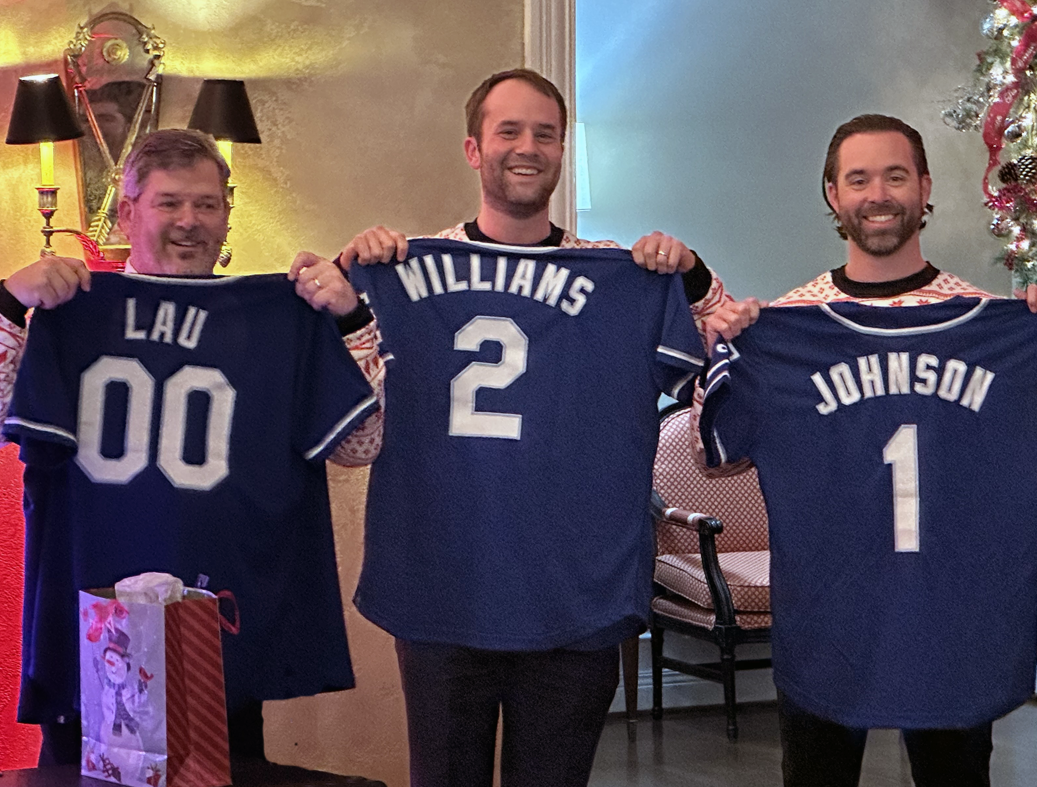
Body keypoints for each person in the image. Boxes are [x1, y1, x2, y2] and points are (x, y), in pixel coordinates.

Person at [292, 68, 731, 787]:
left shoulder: (620, 277)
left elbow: (734, 368)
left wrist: (693, 276)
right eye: (509, 130)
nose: (528, 147)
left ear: (562, 151)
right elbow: (349, 436)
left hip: (575, 594)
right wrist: (349, 285)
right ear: (473, 148)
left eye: (546, 133)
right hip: (441, 586)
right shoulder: (398, 266)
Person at [703, 114, 1037, 787]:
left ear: (925, 187)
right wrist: (728, 353)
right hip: (828, 613)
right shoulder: (788, 324)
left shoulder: (993, 320)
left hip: (954, 614)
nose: (878, 193)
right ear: (833, 195)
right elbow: (723, 458)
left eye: (895, 175)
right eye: (859, 178)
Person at [0, 128, 380, 767]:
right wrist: (9, 303)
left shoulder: (276, 316)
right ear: (127, 211)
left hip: (223, 634)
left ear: (228, 213)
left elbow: (362, 445)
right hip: (91, 633)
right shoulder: (71, 309)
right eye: (169, 203)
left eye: (206, 204)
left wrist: (352, 320)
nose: (189, 222)